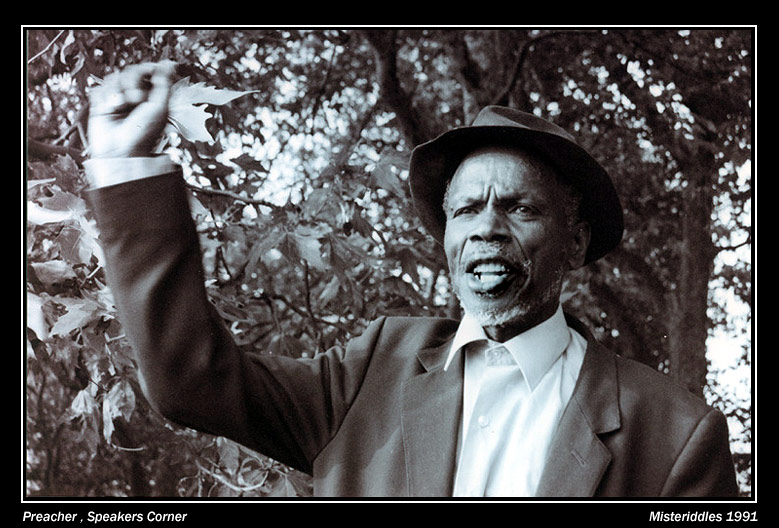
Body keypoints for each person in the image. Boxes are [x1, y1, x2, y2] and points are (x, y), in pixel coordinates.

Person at [84, 62, 739, 497]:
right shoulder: (372, 368)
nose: (485, 227)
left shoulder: (674, 434)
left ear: (577, 242)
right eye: (464, 209)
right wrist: (128, 165)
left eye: (518, 207)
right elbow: (189, 381)